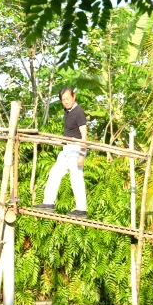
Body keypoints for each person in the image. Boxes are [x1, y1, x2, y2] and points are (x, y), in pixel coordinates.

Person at [34, 87, 88, 218]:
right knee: (54, 173)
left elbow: (84, 134)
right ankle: (48, 203)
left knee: (76, 178)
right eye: (63, 100)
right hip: (66, 148)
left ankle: (81, 209)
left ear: (74, 97)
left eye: (68, 99)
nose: (66, 102)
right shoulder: (67, 111)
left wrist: (82, 154)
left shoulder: (79, 111)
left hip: (76, 148)